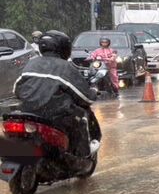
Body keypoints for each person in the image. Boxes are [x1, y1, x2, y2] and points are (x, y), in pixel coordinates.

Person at [13, 30, 99, 159]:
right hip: (55, 115)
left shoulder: (31, 63)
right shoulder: (65, 67)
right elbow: (84, 97)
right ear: (64, 48)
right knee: (82, 117)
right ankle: (82, 155)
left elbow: (16, 90)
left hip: (27, 112)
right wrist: (93, 92)